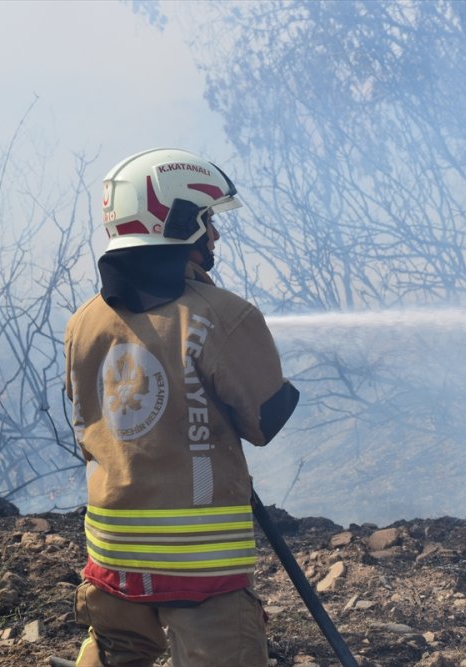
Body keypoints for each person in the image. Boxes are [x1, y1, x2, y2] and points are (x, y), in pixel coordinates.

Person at [64, 148, 299, 666]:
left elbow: (89, 421)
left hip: (111, 560)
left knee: (117, 656)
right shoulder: (224, 315)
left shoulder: (83, 322)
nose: (214, 234)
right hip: (202, 572)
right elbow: (265, 420)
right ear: (179, 221)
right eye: (207, 219)